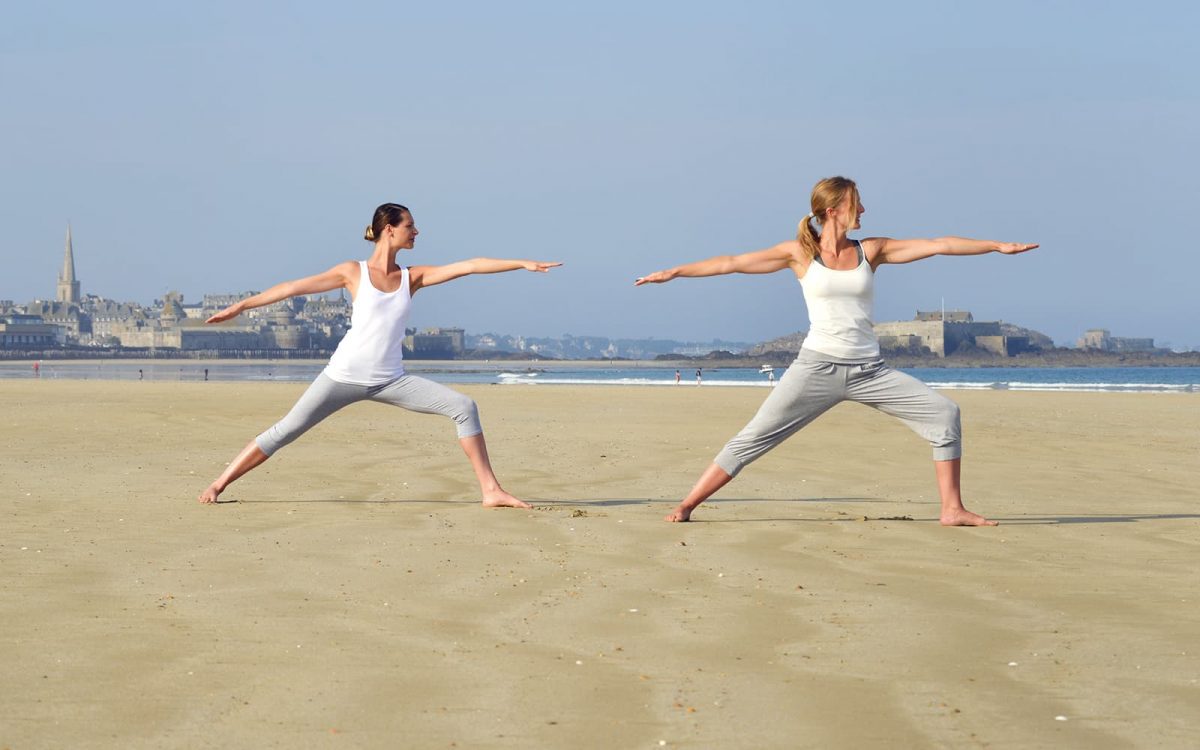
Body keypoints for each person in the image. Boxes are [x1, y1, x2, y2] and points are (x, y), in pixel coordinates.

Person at [635, 176, 1036, 525]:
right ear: (832, 211)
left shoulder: (871, 250)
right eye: (855, 203)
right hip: (815, 369)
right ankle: (688, 504)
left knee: (945, 414)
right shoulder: (799, 253)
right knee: (754, 436)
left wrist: (996, 246)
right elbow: (732, 262)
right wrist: (675, 272)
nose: (863, 209)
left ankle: (952, 509)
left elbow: (938, 244)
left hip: (869, 371)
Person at [198, 203, 560, 508]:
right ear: (389, 229)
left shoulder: (411, 277)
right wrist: (242, 306)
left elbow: (470, 265)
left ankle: (491, 491)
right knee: (286, 430)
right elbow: (293, 288)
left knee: (464, 407)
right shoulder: (352, 272)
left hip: (390, 380)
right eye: (410, 226)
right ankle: (218, 483)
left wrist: (521, 263)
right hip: (342, 376)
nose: (416, 231)